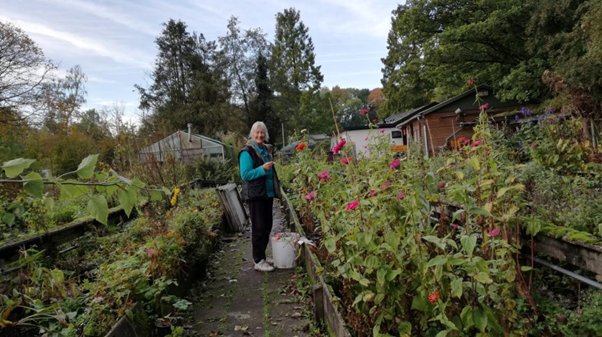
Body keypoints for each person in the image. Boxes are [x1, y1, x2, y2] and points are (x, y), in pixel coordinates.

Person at [239, 121, 281, 272]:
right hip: (256, 195)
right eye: (257, 132)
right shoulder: (247, 152)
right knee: (258, 228)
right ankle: (258, 260)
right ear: (252, 134)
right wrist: (262, 169)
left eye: (262, 132)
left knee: (267, 226)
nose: (260, 135)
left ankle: (262, 256)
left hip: (267, 194)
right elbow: (245, 174)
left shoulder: (265, 149)